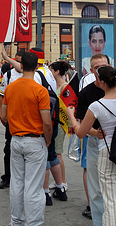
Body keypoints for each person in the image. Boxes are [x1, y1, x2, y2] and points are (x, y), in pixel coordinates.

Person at [70, 65, 116, 226]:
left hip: (108, 152)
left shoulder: (96, 106)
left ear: (102, 82)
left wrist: (71, 116)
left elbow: (81, 132)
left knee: (111, 202)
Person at [0, 51, 52, 226]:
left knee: (17, 183)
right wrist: (48, 139)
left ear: (21, 66)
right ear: (37, 67)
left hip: (16, 139)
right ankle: (34, 222)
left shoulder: (10, 87)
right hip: (35, 139)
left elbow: (3, 115)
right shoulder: (40, 91)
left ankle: (16, 221)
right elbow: (46, 121)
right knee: (34, 186)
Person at [29, 47, 67, 205]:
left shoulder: (36, 75)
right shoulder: (48, 72)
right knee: (52, 154)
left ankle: (45, 193)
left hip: (43, 120)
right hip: (54, 118)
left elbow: (35, 98)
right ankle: (60, 188)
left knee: (43, 155)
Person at [0, 49, 24, 189]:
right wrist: (2, 114)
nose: (18, 64)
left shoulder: (32, 75)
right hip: (12, 119)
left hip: (26, 119)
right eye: (17, 61)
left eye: (21, 61)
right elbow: (1, 96)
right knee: (9, 148)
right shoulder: (8, 75)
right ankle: (7, 176)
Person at [48, 60, 73, 194]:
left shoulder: (64, 87)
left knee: (58, 153)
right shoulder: (53, 85)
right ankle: (58, 180)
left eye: (51, 70)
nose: (49, 72)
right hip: (54, 123)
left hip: (61, 124)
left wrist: (69, 125)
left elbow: (71, 106)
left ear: (57, 72)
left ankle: (62, 181)